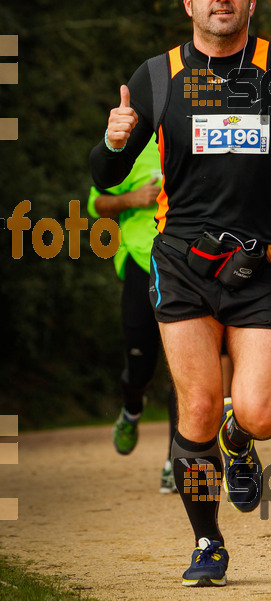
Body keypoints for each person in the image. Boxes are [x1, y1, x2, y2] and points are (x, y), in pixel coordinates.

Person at [90, 0, 271, 587]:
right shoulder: (156, 76)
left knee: (260, 415)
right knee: (193, 406)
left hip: (261, 265)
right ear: (188, 0)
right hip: (182, 262)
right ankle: (208, 542)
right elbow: (104, 172)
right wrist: (113, 143)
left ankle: (239, 436)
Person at [87, 138, 180, 492]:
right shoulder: (132, 146)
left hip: (184, 269)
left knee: (183, 368)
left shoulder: (192, 132)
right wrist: (132, 199)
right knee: (140, 365)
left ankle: (177, 460)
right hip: (141, 264)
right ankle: (131, 408)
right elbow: (96, 203)